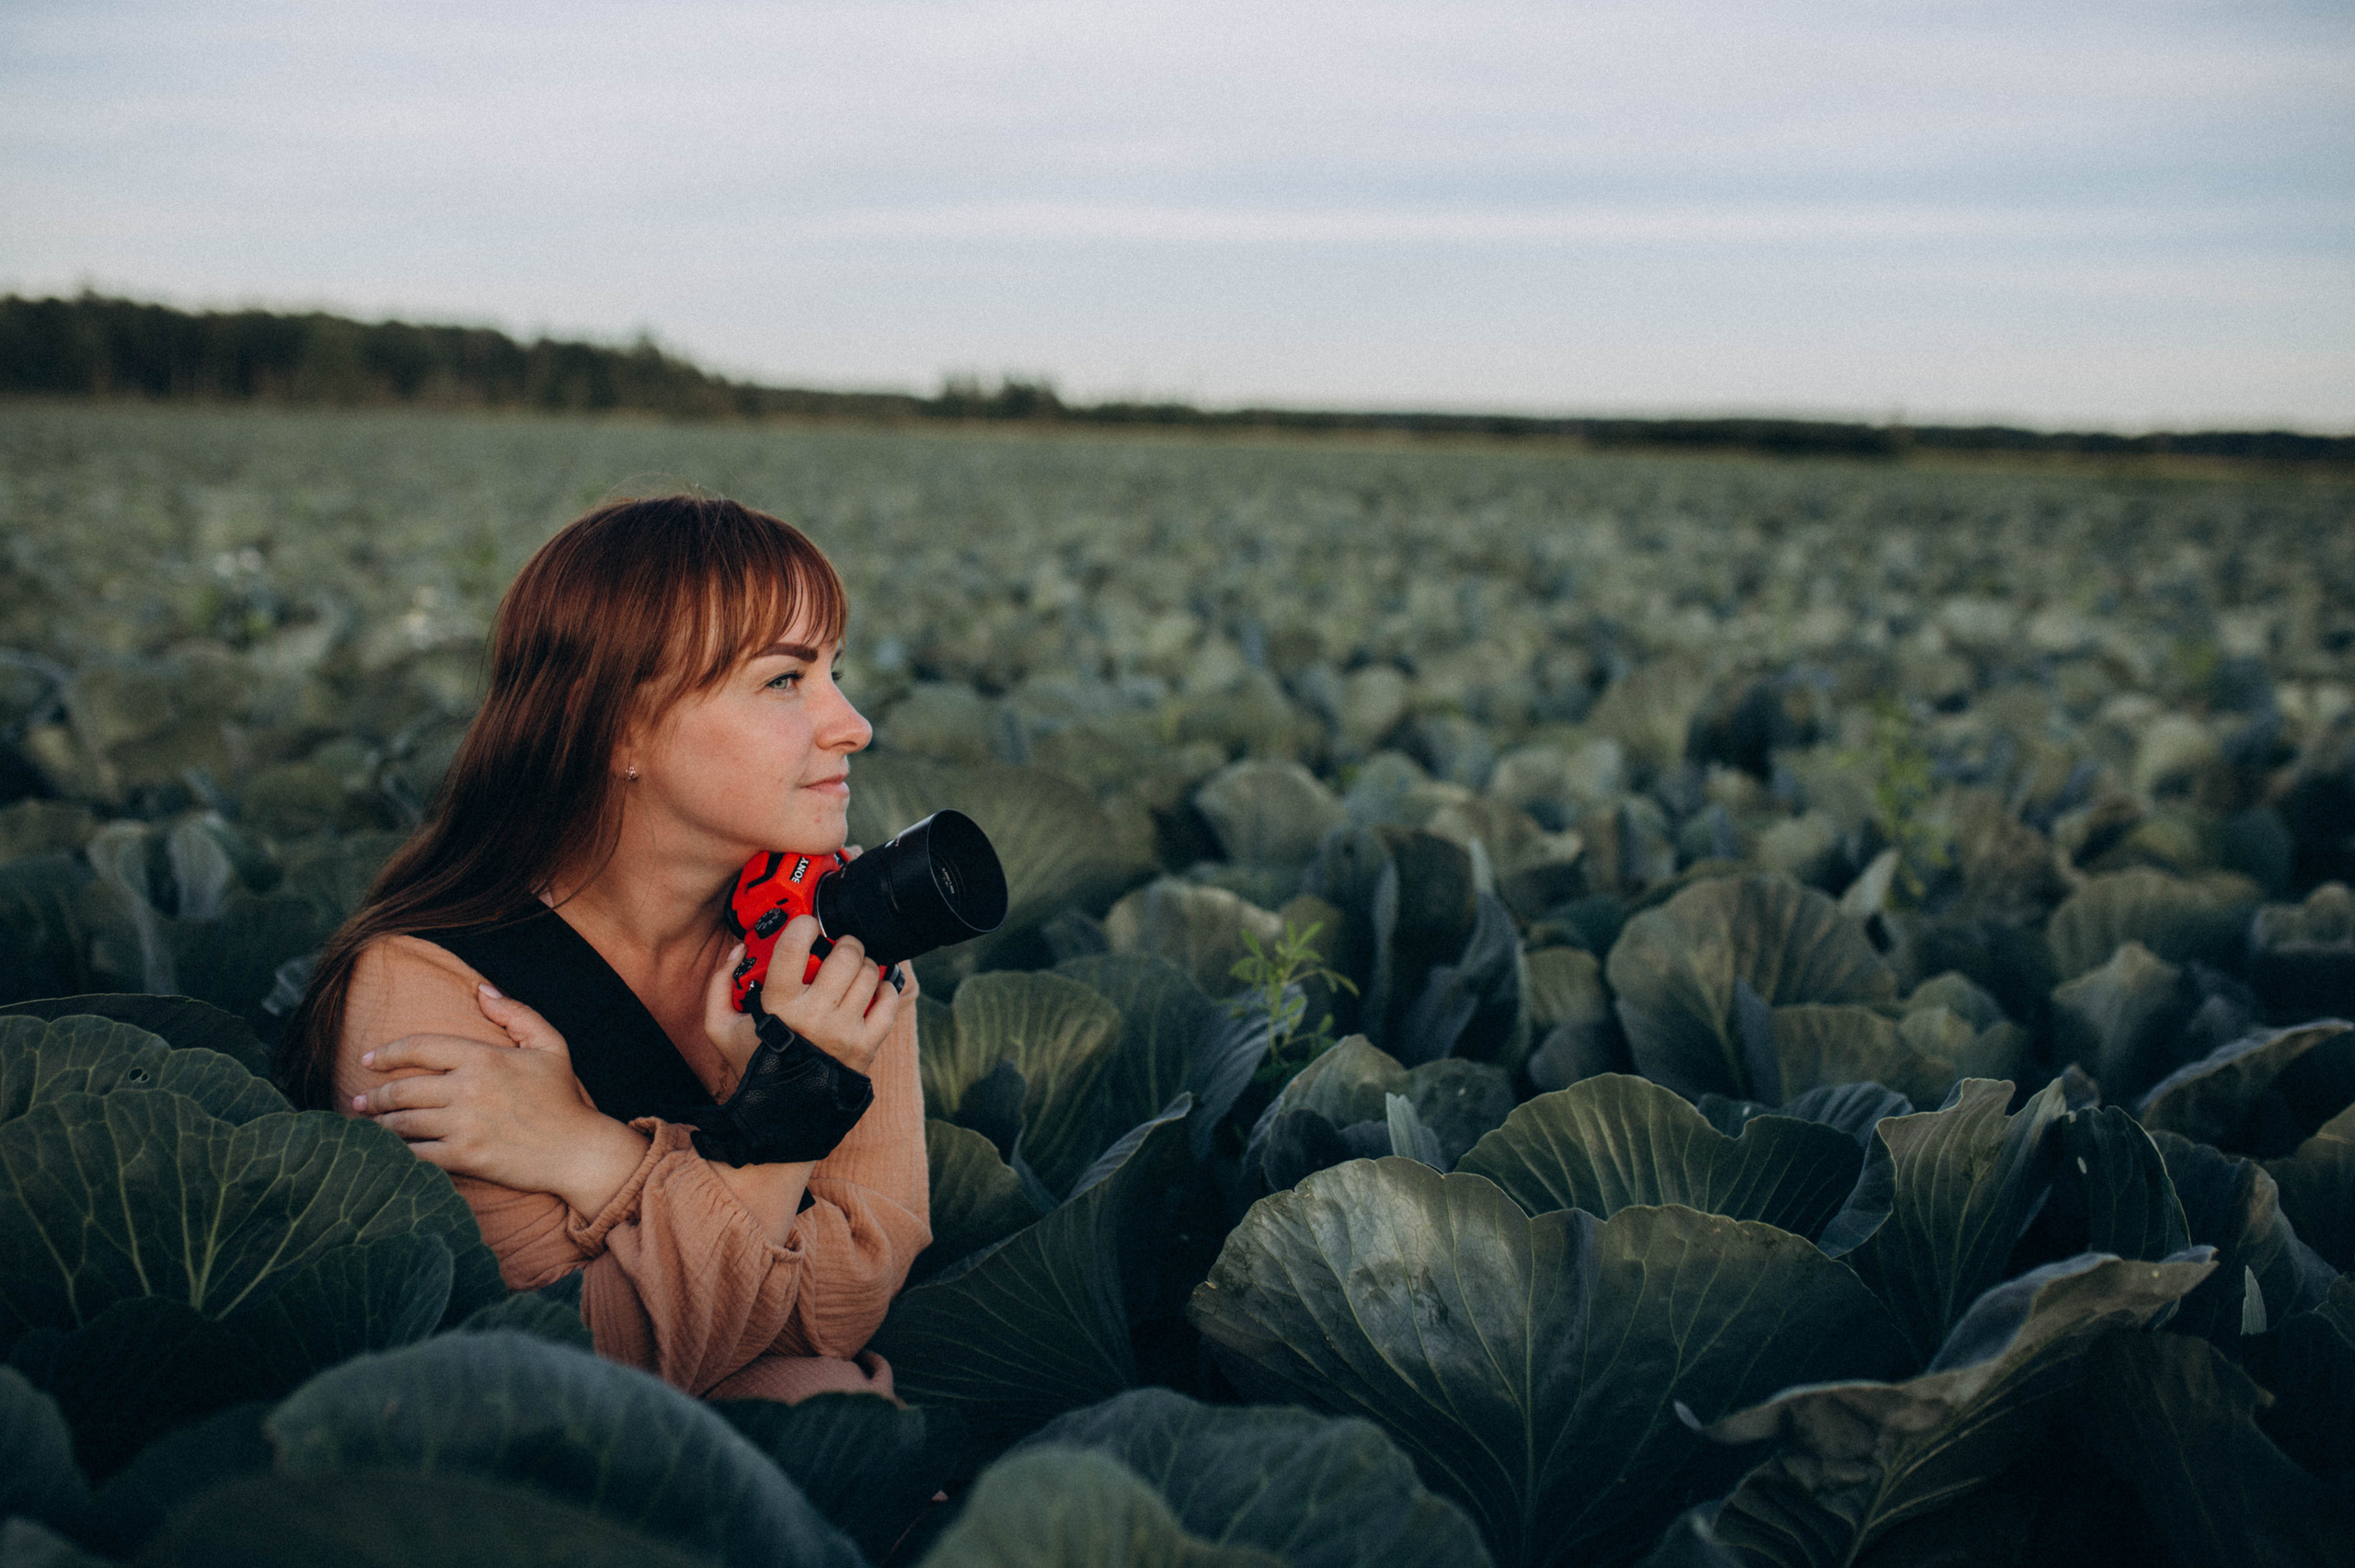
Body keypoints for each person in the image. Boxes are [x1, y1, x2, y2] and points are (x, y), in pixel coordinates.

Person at [279, 494, 927, 1403]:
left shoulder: (838, 927)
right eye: (786, 681)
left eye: (834, 671)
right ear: (617, 726)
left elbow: (850, 1298)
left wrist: (598, 1160)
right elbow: (572, 1365)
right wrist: (789, 1115)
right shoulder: (429, 987)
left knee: (818, 1392)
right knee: (818, 1397)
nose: (851, 723)